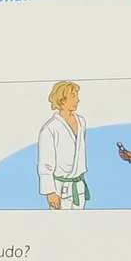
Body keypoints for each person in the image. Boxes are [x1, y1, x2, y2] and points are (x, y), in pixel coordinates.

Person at [37, 80, 90, 209]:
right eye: (73, 96)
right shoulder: (50, 128)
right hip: (59, 189)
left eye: (77, 96)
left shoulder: (81, 122)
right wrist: (50, 192)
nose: (77, 100)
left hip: (79, 187)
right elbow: (45, 163)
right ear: (61, 100)